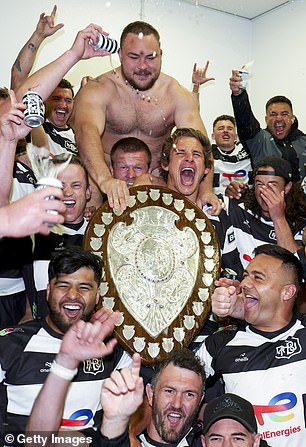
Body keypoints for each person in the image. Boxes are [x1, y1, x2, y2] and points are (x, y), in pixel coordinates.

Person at [70, 21, 219, 212]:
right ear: (121, 55)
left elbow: (200, 145)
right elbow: (85, 132)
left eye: (151, 57)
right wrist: (105, 180)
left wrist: (206, 191)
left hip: (155, 179)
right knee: (91, 193)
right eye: (134, 57)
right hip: (106, 175)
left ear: (161, 55)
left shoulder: (176, 94)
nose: (143, 66)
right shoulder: (99, 89)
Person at [0, 246, 130, 441]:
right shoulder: (9, 343)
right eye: (63, 285)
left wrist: (132, 432)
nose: (73, 295)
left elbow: (138, 405)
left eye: (84, 287)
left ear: (97, 296)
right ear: (48, 291)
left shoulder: (113, 349)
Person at [197, 244, 305, 447]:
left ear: (287, 292)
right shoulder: (221, 343)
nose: (244, 283)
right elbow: (174, 386)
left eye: (258, 277)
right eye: (246, 275)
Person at [222, 156, 306, 274]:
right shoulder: (237, 209)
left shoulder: (300, 222)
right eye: (259, 184)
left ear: (287, 187)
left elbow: (297, 270)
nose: (264, 192)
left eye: (272, 185)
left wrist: (278, 218)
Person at [31, 156, 92, 318]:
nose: (68, 192)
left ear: (88, 192)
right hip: (45, 333)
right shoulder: (33, 234)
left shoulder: (101, 233)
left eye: (76, 185)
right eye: (60, 186)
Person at [230, 70, 305, 182]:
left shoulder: (303, 141)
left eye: (284, 114)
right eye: (273, 114)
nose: (279, 118)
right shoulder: (258, 141)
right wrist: (239, 95)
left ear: (292, 118)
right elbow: (245, 120)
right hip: (264, 199)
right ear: (266, 119)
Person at [211, 114, 253, 196]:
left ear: (236, 136)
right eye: (221, 128)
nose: (225, 131)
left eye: (230, 129)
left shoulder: (250, 152)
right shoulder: (207, 155)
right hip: (217, 203)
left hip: (246, 201)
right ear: (213, 136)